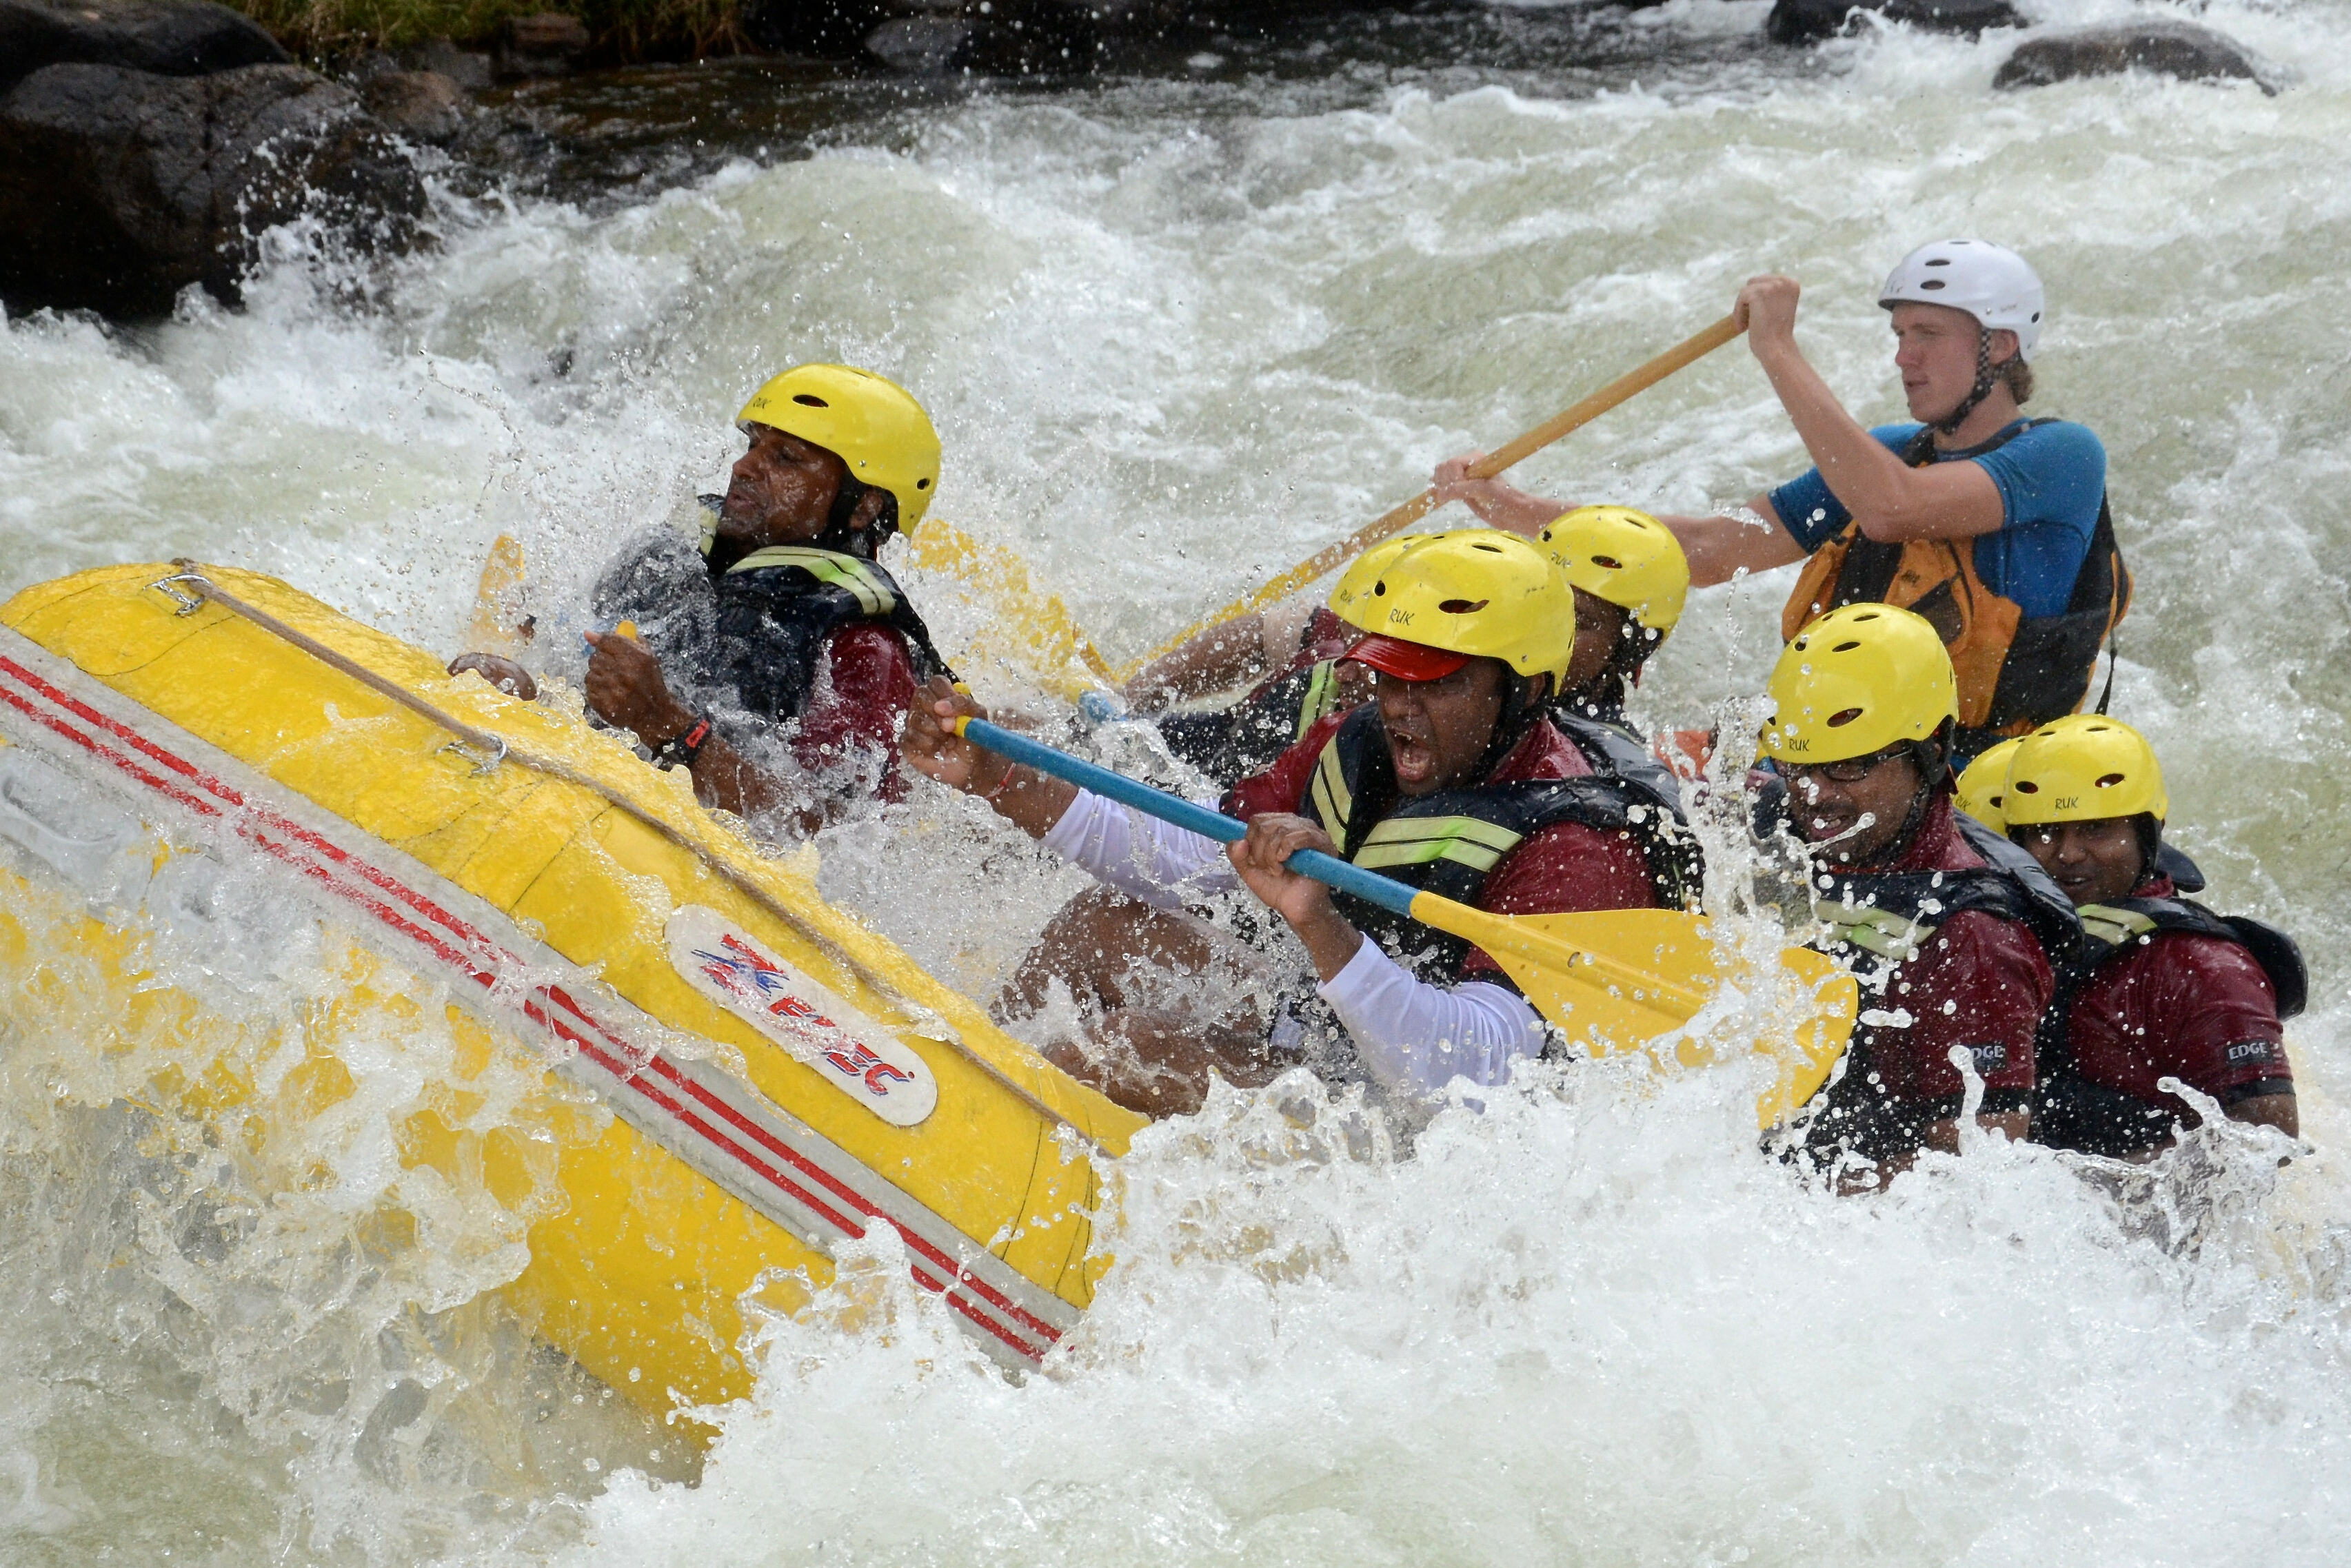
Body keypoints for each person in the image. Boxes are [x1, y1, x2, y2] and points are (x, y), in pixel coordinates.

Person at [903, 530, 1694, 1117]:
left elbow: (1469, 1075)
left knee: (1124, 1051)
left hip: (1430, 1127)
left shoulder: (1581, 849)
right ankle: (950, 1091)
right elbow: (1187, 855)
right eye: (1389, 675)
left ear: (1522, 688)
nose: (1397, 706)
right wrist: (999, 780)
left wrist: (1319, 928)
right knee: (1101, 926)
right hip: (1336, 1026)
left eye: (1435, 682)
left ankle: (979, 1146)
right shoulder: (1363, 740)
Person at [1435, 241, 2129, 757]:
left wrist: (1776, 350)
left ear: (1999, 346)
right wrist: (1506, 506)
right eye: (1898, 335)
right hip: (1834, 753)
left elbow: (1893, 509)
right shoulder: (1884, 453)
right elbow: (1712, 550)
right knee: (1605, 764)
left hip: (1977, 771)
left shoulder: (2063, 456)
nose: (1902, 358)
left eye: (1927, 335)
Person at [449, 364, 953, 834]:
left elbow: (830, 831)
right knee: (492, 678)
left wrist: (667, 725)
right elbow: (574, 663)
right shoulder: (673, 551)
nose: (744, 467)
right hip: (608, 782)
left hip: (701, 853)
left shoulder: (865, 647)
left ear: (863, 507)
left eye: (785, 459)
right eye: (754, 444)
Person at [1755, 602, 2077, 1187]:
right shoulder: (1777, 826)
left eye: (1850, 766)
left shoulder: (1975, 937)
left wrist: (1786, 1195)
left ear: (1931, 748)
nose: (1814, 795)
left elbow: (1977, 1175)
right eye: (1795, 765)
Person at [2000, 715, 2303, 1155]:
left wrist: (2104, 1194)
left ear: (2148, 832)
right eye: (2045, 833)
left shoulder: (2202, 966)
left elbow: (2268, 1141)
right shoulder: (2014, 936)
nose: (2067, 854)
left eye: (2096, 829)